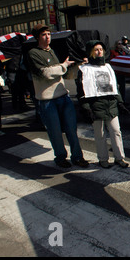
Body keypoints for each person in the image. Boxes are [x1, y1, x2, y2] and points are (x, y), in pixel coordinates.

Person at [27, 23, 89, 168]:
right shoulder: (33, 53)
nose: (47, 37)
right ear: (37, 37)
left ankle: (77, 157)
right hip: (47, 100)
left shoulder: (52, 51)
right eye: (44, 34)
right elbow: (46, 73)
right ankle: (60, 157)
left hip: (63, 97)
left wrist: (78, 64)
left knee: (71, 130)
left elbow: (62, 72)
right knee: (55, 132)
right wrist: (63, 66)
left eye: (49, 34)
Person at [77, 40, 130, 169]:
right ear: (90, 52)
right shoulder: (84, 69)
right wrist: (86, 108)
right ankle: (103, 159)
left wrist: (120, 102)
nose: (99, 51)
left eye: (101, 49)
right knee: (100, 135)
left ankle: (119, 158)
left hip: (110, 104)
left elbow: (114, 86)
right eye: (96, 49)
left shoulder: (108, 67)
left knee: (116, 132)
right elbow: (81, 90)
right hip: (95, 105)